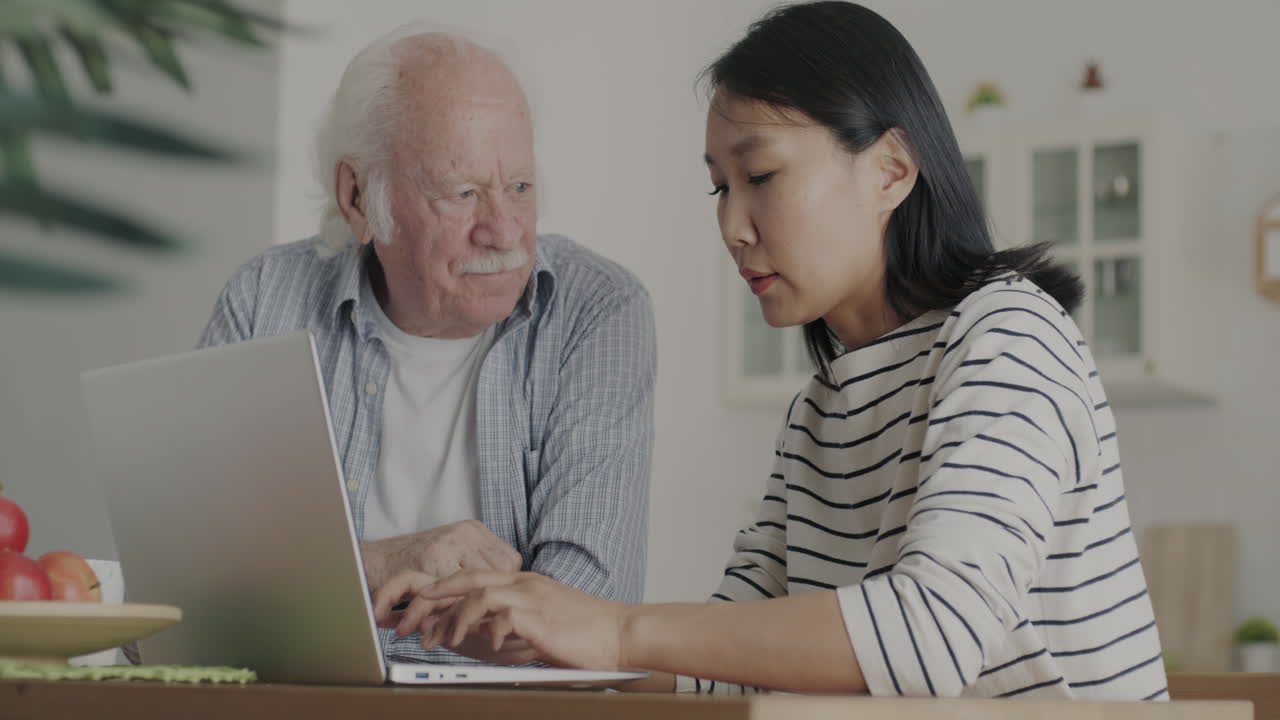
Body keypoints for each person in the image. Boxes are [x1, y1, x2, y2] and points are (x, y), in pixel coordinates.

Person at [372, 1, 1167, 699]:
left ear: (891, 169)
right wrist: (530, 636)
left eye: (761, 175)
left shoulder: (1007, 336)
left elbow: (934, 629)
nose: (732, 225)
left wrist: (615, 632)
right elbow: (725, 658)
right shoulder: (822, 411)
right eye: (721, 186)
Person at [197, 26, 656, 665]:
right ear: (358, 197)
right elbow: (187, 600)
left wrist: (310, 585)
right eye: (461, 193)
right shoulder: (263, 301)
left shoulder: (596, 310)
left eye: (520, 187)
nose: (503, 231)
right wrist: (383, 561)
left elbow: (585, 614)